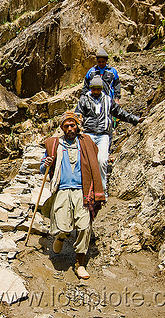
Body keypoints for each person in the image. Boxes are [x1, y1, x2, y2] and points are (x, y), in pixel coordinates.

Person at [40, 111, 105, 279]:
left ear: (77, 126)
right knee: (62, 226)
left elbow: (95, 156)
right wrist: (46, 163)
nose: (70, 128)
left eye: (73, 125)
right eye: (66, 126)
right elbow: (42, 168)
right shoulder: (54, 144)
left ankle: (80, 263)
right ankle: (60, 237)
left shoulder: (86, 142)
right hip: (62, 189)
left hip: (82, 190)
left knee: (84, 227)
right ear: (62, 128)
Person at [75, 75, 145, 196]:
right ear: (90, 88)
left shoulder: (108, 100)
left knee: (102, 161)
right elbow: (77, 115)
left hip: (103, 135)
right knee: (87, 163)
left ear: (101, 88)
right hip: (88, 134)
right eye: (93, 89)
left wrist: (136, 120)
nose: (96, 92)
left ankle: (102, 191)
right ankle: (87, 191)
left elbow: (120, 113)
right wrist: (77, 124)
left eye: (98, 89)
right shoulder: (84, 100)